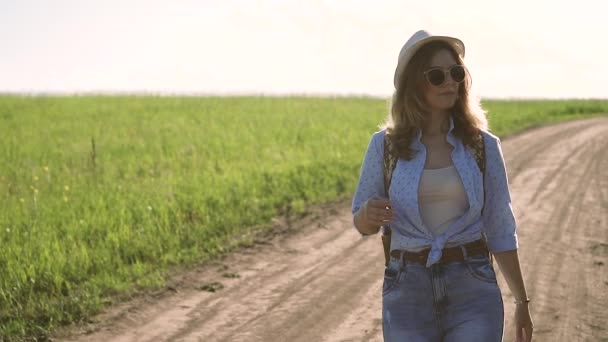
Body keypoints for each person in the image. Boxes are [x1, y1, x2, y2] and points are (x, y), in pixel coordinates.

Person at [351, 30, 534, 341]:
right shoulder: (385, 146)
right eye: (437, 75)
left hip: (473, 287)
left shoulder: (483, 146)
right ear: (413, 85)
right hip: (406, 290)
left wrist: (521, 302)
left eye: (456, 72)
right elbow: (361, 221)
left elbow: (501, 226)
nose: (450, 81)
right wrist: (367, 214)